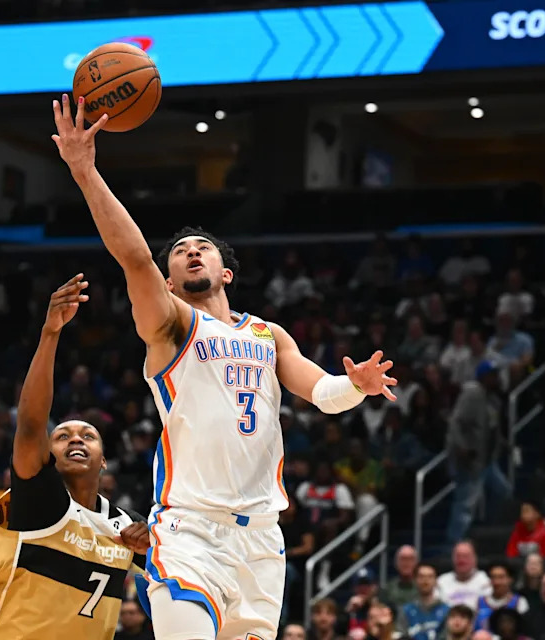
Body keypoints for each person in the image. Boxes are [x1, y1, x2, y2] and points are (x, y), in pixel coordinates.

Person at [52, 93, 397, 640]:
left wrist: (356, 386)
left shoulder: (268, 333)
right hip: (190, 529)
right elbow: (134, 256)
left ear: (225, 271)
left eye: (202, 248)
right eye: (180, 251)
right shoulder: (171, 327)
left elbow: (323, 392)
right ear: (167, 283)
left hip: (262, 539)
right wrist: (85, 170)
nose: (191, 252)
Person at [0, 276, 148, 639]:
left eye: (88, 435)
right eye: (62, 437)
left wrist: (153, 549)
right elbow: (30, 427)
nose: (76, 439)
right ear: (50, 454)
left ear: (104, 460)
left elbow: (176, 571)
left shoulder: (126, 525)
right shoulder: (39, 502)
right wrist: (50, 334)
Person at [446, 361, 512, 544]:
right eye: (492, 375)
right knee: (465, 504)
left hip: (487, 460)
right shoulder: (472, 393)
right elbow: (456, 422)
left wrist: (502, 443)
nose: (496, 378)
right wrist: (461, 447)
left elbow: (490, 426)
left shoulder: (493, 398)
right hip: (470, 459)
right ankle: (454, 543)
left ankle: (488, 527)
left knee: (504, 492)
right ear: (483, 377)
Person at [399, 563, 450, 640]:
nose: (425, 581)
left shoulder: (446, 610)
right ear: (415, 580)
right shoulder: (406, 610)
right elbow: (401, 636)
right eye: (421, 576)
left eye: (430, 577)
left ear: (436, 581)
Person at [475, 562, 529, 631]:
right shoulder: (479, 602)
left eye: (501, 577)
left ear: (510, 579)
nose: (496, 582)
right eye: (493, 577)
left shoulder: (519, 602)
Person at [438, 542, 492, 610]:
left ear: (474, 559)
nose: (461, 560)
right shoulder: (441, 582)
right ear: (452, 559)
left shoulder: (486, 582)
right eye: (458, 556)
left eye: (465, 556)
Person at [383, 546, 420, 611]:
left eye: (410, 559)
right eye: (403, 559)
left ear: (416, 563)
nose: (406, 563)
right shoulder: (387, 589)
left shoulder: (422, 587)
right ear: (396, 563)